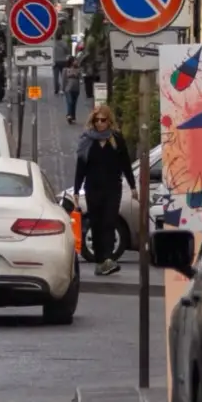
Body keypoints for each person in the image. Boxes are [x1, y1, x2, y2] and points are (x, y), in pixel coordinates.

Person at [74, 104, 134, 275]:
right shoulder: (87, 141)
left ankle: (107, 259)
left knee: (109, 221)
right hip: (93, 188)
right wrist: (76, 190)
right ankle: (100, 261)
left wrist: (133, 186)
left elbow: (126, 163)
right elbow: (81, 167)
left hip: (113, 188)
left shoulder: (116, 139)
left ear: (109, 121)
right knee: (96, 224)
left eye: (103, 120)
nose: (99, 123)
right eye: (97, 120)